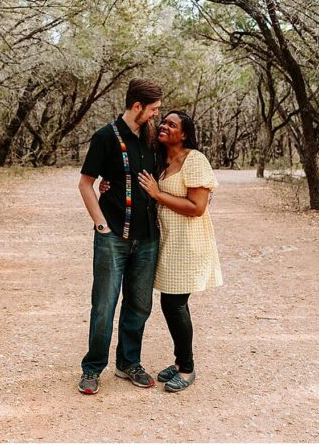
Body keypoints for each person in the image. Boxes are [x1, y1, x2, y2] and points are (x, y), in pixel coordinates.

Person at [78, 78, 163, 394]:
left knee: (139, 305)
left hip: (148, 239)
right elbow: (86, 183)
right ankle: (92, 369)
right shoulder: (105, 138)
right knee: (104, 306)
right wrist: (101, 225)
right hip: (113, 236)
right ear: (137, 106)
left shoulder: (153, 140)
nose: (156, 115)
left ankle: (129, 363)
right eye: (152, 109)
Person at [136, 109, 222, 393]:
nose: (164, 126)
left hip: (189, 243)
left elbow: (198, 208)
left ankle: (186, 368)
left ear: (184, 134)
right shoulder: (160, 159)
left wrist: (158, 194)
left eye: (171, 124)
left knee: (174, 304)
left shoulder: (194, 160)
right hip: (169, 241)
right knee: (169, 304)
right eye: (163, 122)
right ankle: (179, 360)